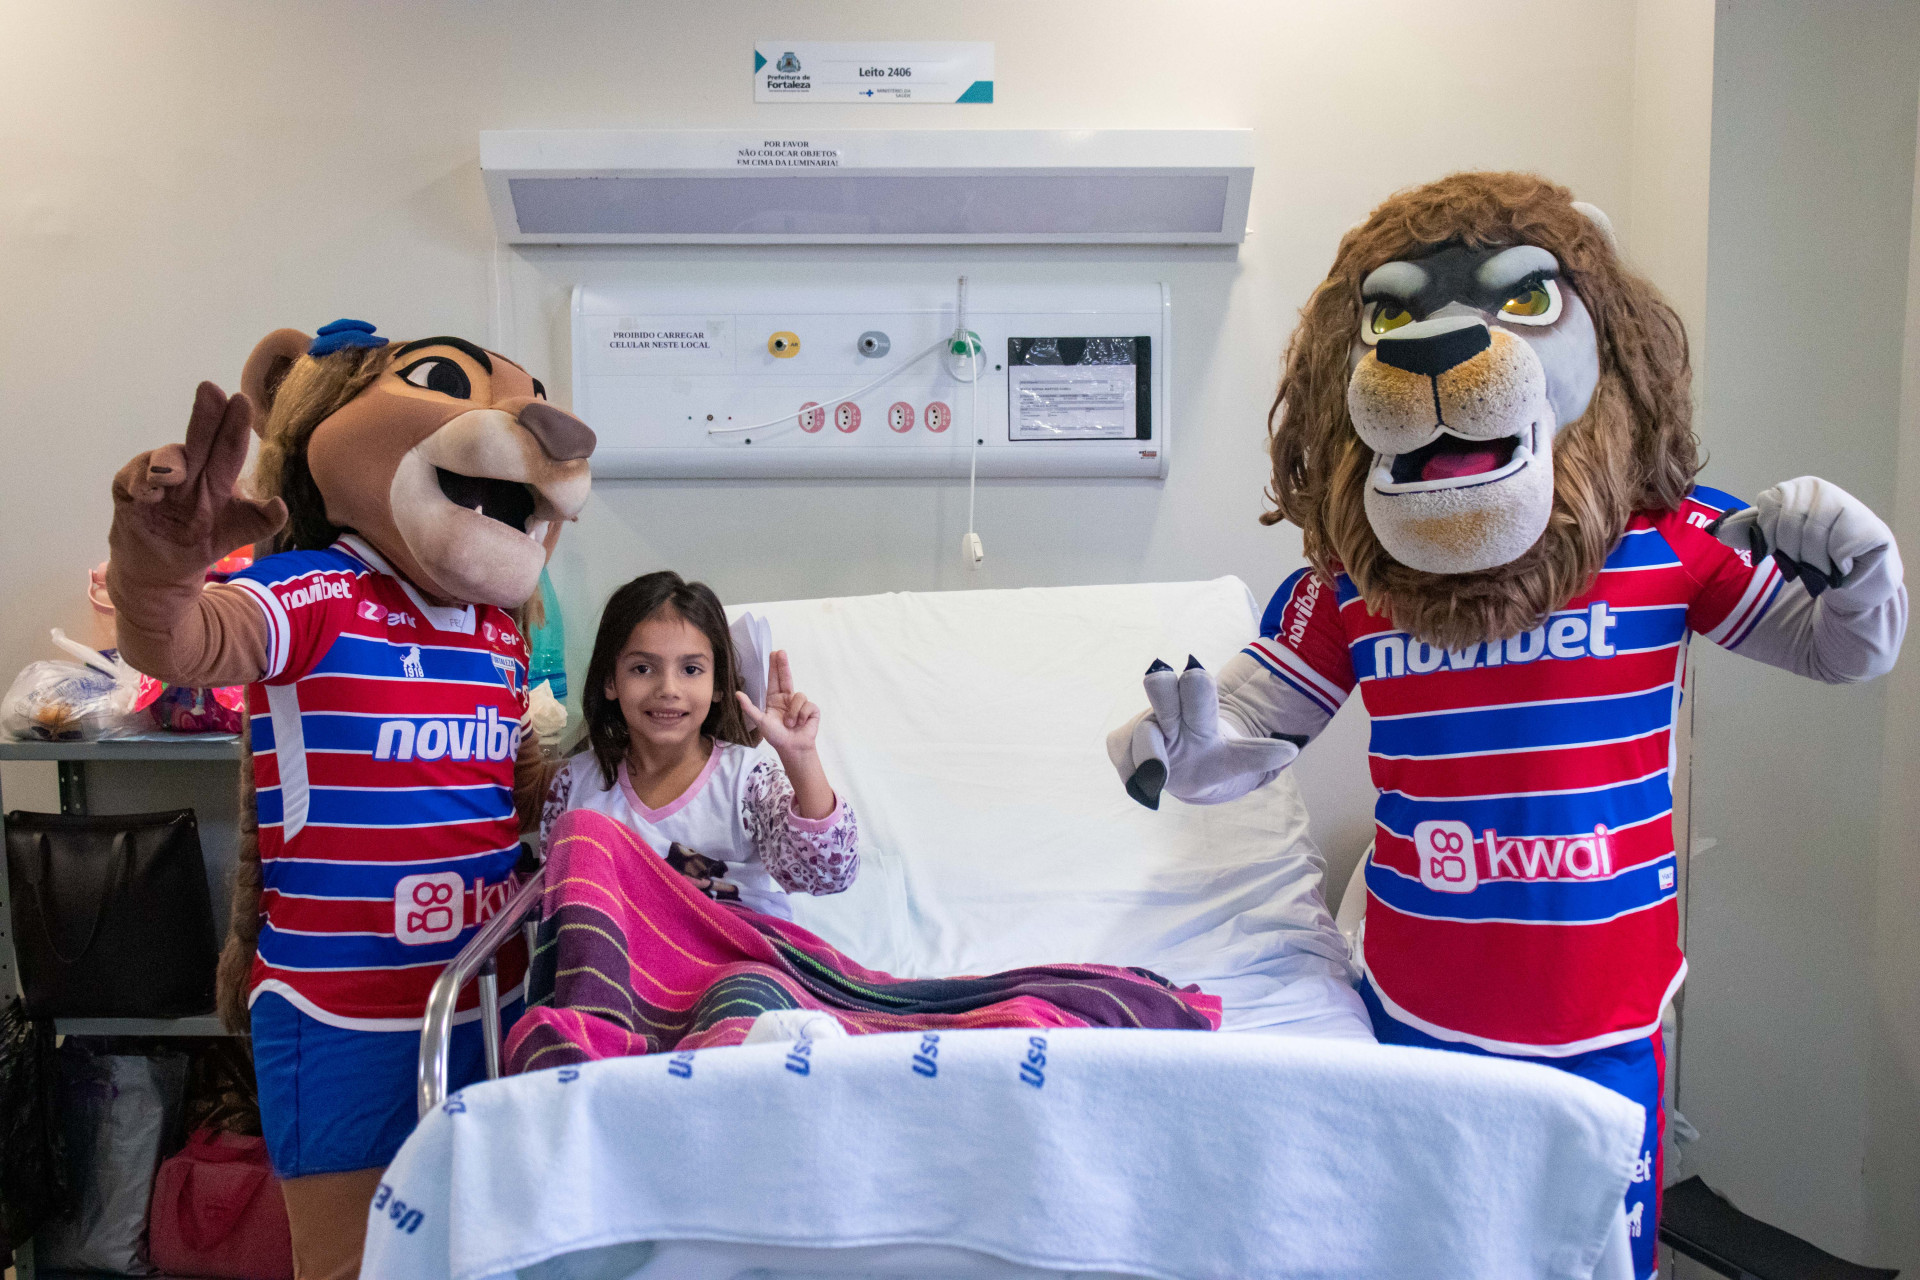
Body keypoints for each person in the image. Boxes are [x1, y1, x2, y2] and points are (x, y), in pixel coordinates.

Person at [538, 570, 859, 911]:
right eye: (642, 669)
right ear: (610, 682)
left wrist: (800, 755)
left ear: (719, 684)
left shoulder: (748, 782)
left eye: (690, 670)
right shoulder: (575, 786)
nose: (668, 690)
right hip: (626, 956)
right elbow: (560, 904)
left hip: (736, 949)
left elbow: (829, 875)